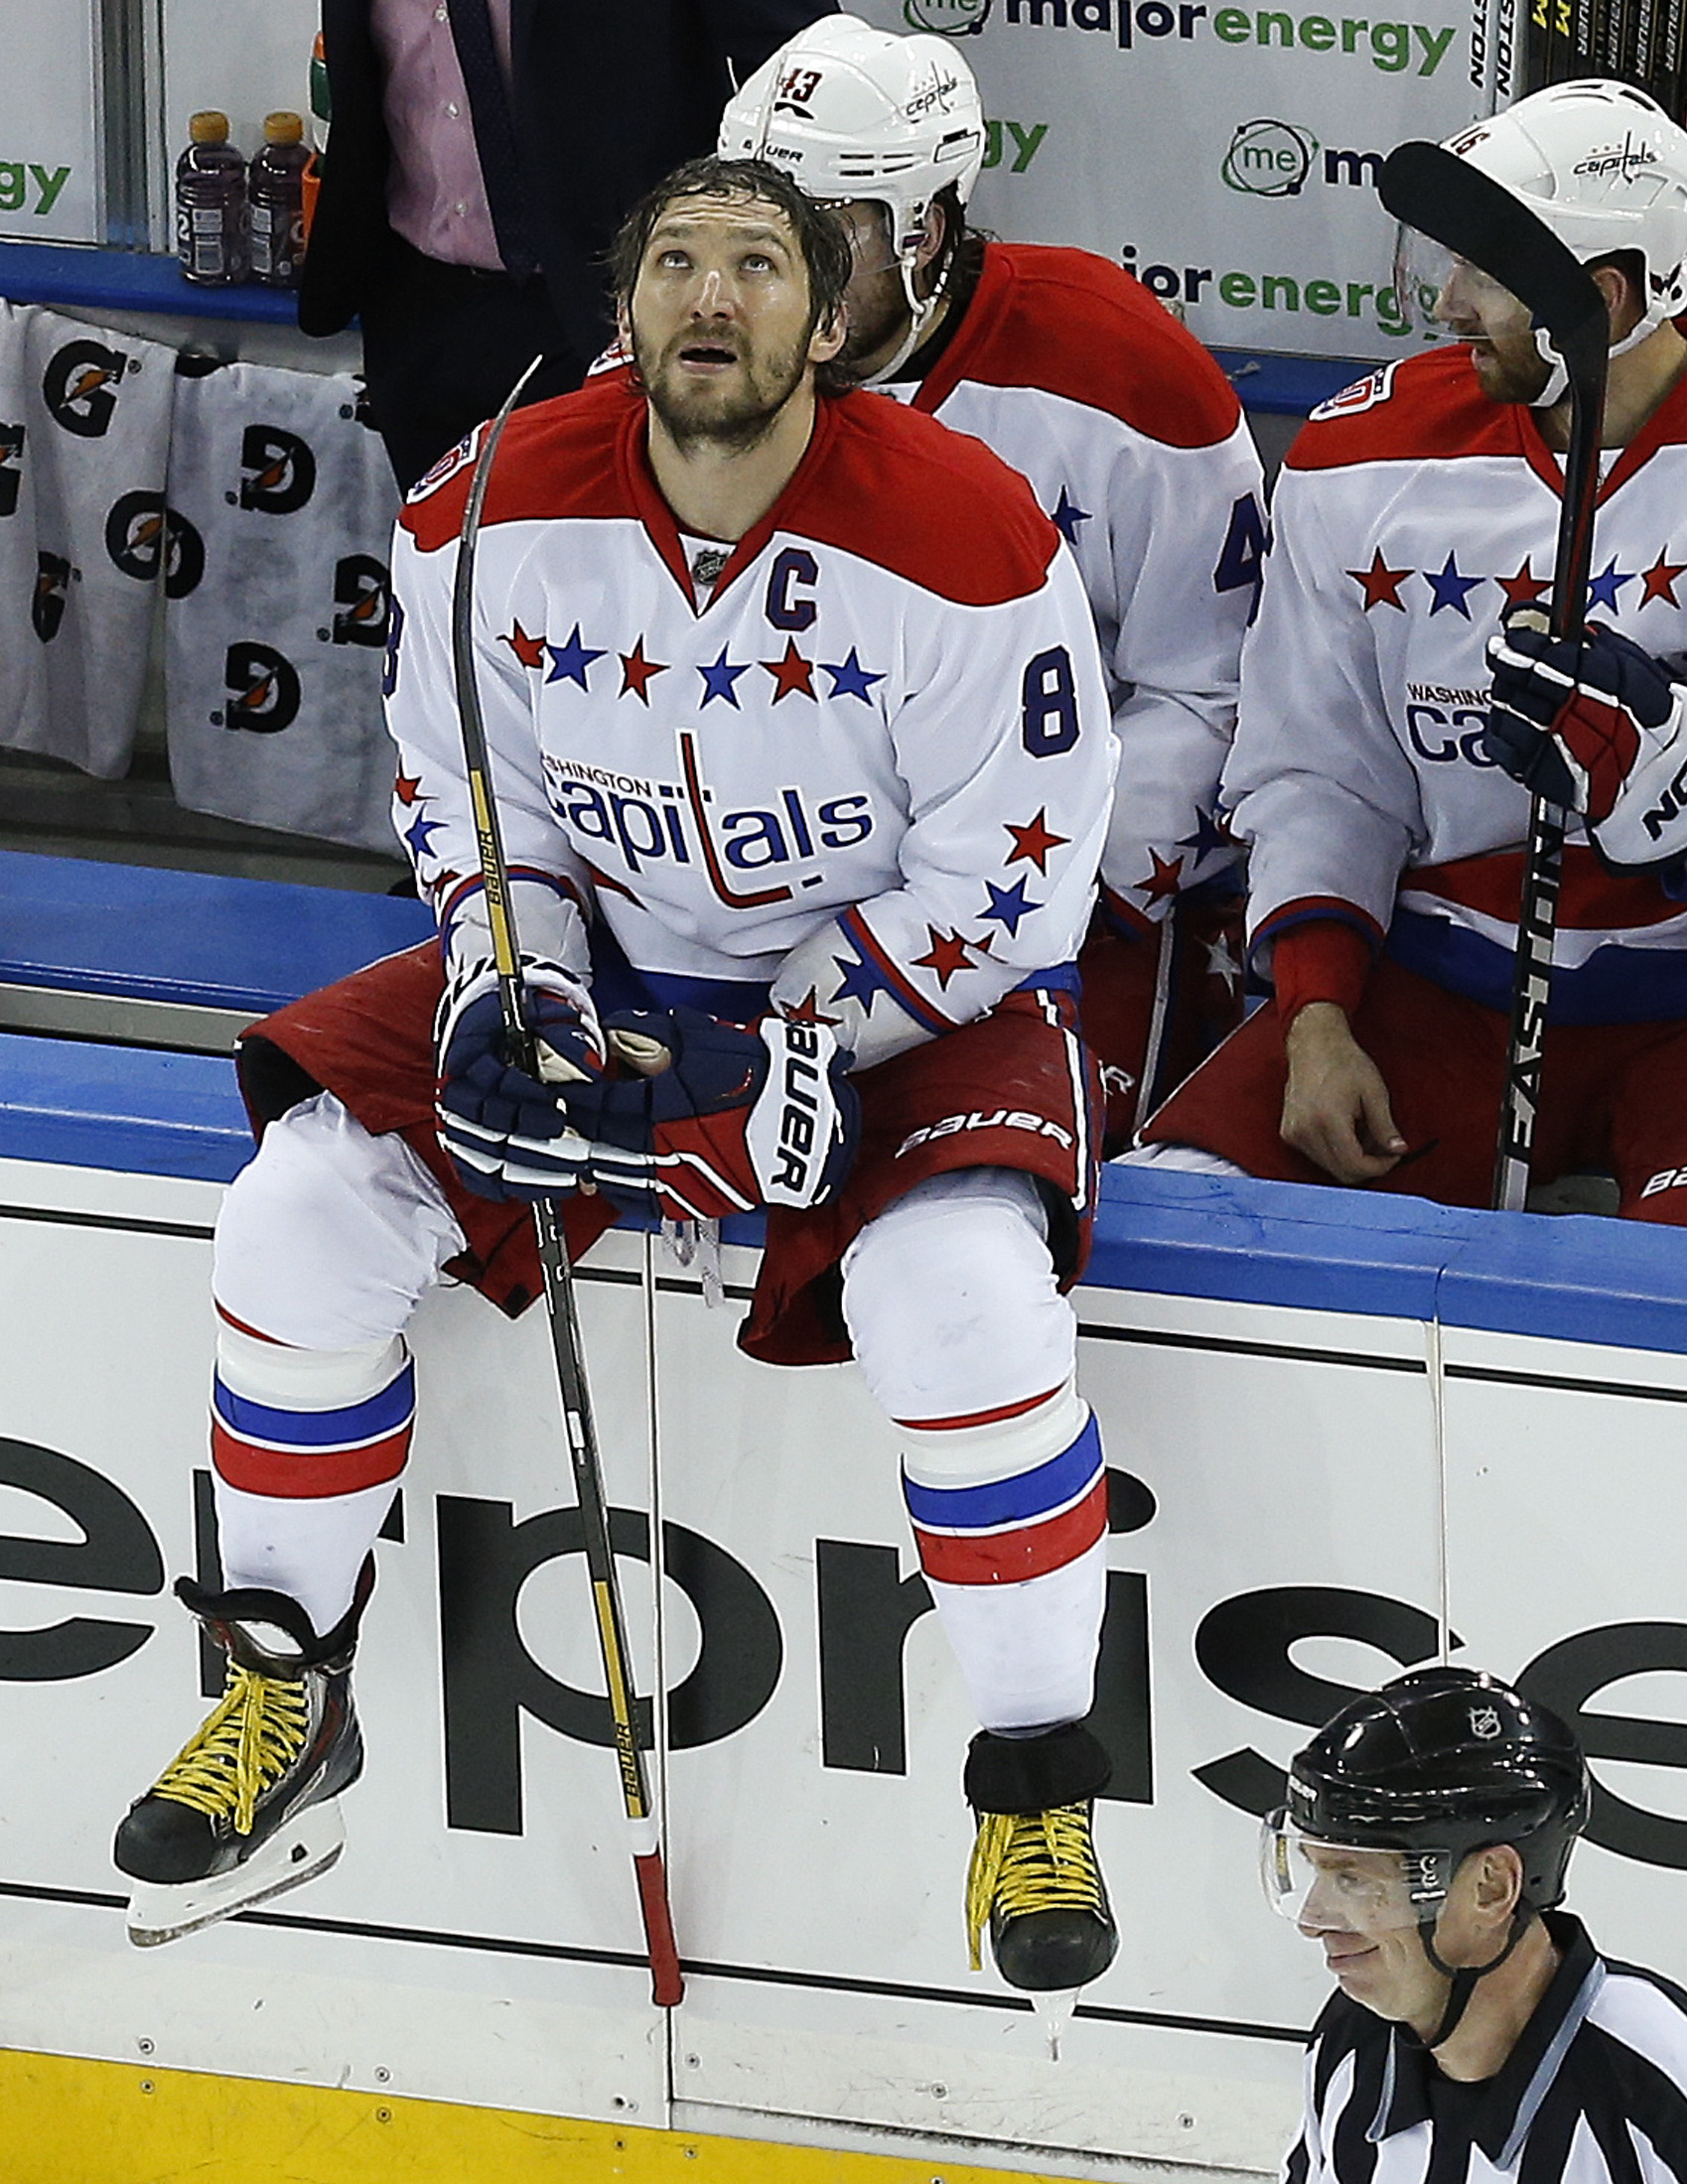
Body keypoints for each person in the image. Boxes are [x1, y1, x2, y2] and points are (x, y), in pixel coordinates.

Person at [112, 155, 1124, 1997]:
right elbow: (458, 795)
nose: (710, 296)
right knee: (299, 1212)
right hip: (611, 979)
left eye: (757, 264)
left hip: (905, 1000)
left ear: (830, 323)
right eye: (675, 262)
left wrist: (798, 1042)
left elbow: (1025, 869)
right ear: (626, 306)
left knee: (963, 1298)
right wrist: (519, 983)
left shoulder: (971, 533)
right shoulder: (478, 510)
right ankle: (285, 1692)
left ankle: (1039, 1785)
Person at [1138, 79, 1687, 1236]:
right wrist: (1315, 1012)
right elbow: (1320, 769)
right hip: (1438, 977)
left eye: (1483, 272)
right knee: (1176, 1229)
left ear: (1603, 295)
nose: (1447, 301)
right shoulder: (1356, 458)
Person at [719, 14, 1267, 1148]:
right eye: (749, 229)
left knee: (1012, 1178)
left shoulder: (1120, 371)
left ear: (930, 227)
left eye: (825, 236)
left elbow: (1218, 690)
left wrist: (1030, 894)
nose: (766, 281)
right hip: (759, 890)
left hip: (1052, 902)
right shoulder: (689, 357)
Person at [1264, 1666, 1687, 2182]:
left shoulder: (1662, 2074)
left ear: (1491, 1888)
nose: (1314, 1920)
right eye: (1315, 1873)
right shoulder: (1352, 2039)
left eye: (1356, 1881)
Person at [300, 0, 833, 487]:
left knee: (636, 578)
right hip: (419, 311)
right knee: (446, 571)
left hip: (623, 314)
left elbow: (816, 71)